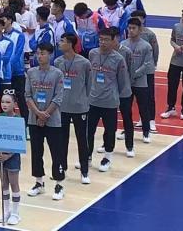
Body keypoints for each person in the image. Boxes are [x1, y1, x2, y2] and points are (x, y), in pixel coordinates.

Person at [26, 42, 65, 200]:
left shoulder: (57, 74)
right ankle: (39, 182)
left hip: (52, 120)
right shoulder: (31, 72)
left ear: (50, 55)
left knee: (56, 152)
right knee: (36, 152)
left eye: (42, 53)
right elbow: (27, 96)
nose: (39, 56)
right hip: (34, 119)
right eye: (38, 53)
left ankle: (59, 184)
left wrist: (45, 114)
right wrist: (37, 113)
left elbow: (58, 97)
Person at [87, 27, 129, 173]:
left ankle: (107, 157)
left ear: (113, 41)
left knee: (110, 131)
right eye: (101, 39)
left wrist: (115, 95)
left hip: (110, 101)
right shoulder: (92, 54)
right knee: (88, 131)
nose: (103, 42)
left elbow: (122, 82)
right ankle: (87, 157)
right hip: (92, 100)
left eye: (106, 40)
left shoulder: (118, 59)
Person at [54, 32, 92, 184]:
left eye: (62, 41)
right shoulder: (57, 62)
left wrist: (84, 101)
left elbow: (89, 84)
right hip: (62, 108)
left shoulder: (84, 63)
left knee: (82, 140)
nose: (59, 43)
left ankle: (84, 171)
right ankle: (62, 168)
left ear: (70, 44)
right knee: (61, 140)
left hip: (79, 108)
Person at [121, 18, 155, 146]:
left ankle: (146, 131)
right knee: (126, 108)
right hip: (126, 83)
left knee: (143, 108)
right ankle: (127, 130)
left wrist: (134, 74)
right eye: (129, 28)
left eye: (133, 28)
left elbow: (147, 64)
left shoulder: (146, 46)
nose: (131, 30)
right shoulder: (123, 44)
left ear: (140, 29)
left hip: (140, 82)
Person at [0, 93, 23, 226]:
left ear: (14, 104)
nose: (4, 105)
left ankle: (15, 213)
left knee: (14, 184)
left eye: (8, 102)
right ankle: (6, 211)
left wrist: (8, 155)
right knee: (4, 184)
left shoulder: (18, 120)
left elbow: (19, 141)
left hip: (13, 157)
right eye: (2, 102)